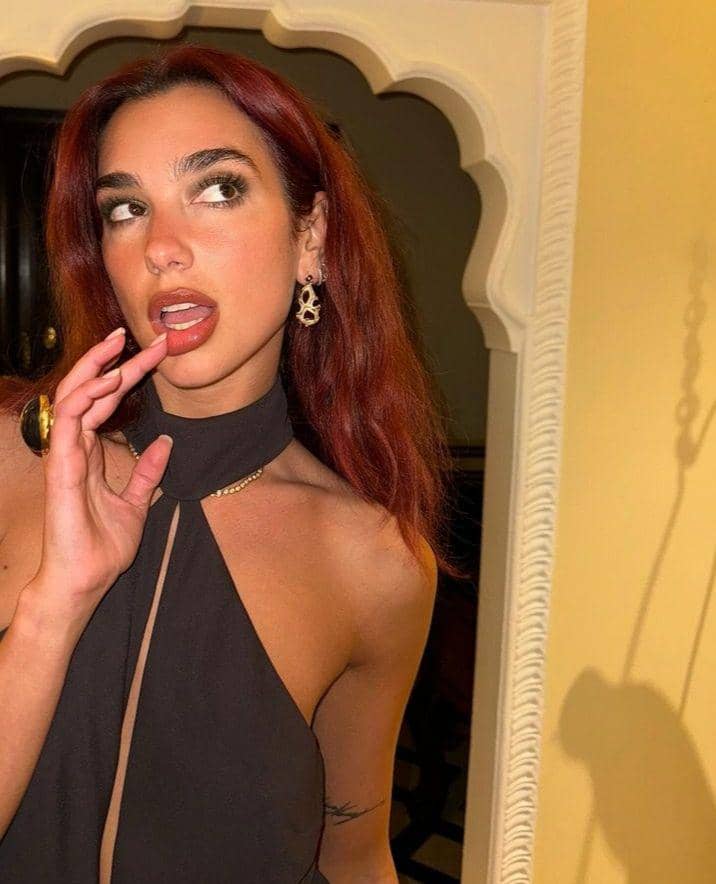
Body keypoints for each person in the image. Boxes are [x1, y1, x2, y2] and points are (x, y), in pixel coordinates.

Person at [0, 43, 463, 882]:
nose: (162, 247)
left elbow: (355, 855)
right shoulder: (10, 457)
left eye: (218, 189)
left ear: (311, 237)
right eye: (125, 209)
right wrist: (50, 608)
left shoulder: (376, 562)